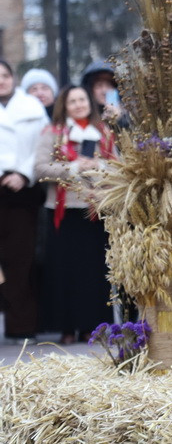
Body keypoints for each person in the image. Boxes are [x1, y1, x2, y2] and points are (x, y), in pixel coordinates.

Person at [34, 85, 116, 343]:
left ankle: (93, 326)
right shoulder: (53, 133)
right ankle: (67, 328)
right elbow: (39, 169)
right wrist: (72, 168)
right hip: (63, 211)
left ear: (90, 103)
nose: (79, 104)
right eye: (73, 101)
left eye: (82, 100)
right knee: (64, 271)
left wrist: (98, 166)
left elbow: (120, 168)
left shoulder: (104, 132)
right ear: (64, 106)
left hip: (95, 211)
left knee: (93, 272)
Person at [0, 59, 50, 341]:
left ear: (14, 77)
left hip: (22, 191)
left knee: (20, 260)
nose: (1, 81)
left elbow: (43, 147)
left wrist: (22, 173)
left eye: (5, 75)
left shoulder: (32, 108)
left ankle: (22, 327)